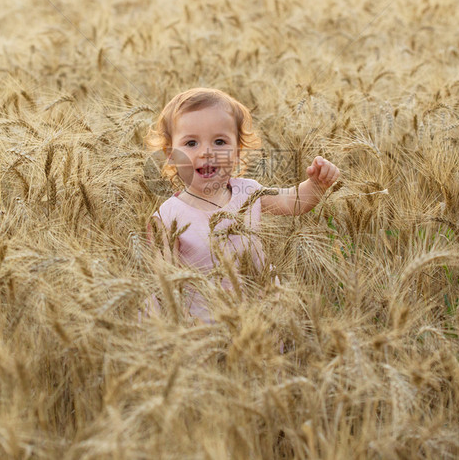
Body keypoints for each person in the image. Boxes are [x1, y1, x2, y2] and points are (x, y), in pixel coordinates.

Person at [144, 87, 340, 323]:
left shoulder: (248, 192)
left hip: (262, 319)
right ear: (170, 154)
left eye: (219, 141)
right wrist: (184, 325)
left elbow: (294, 202)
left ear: (237, 151)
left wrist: (316, 184)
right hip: (205, 327)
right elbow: (163, 283)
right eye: (191, 143)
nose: (207, 152)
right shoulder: (166, 217)